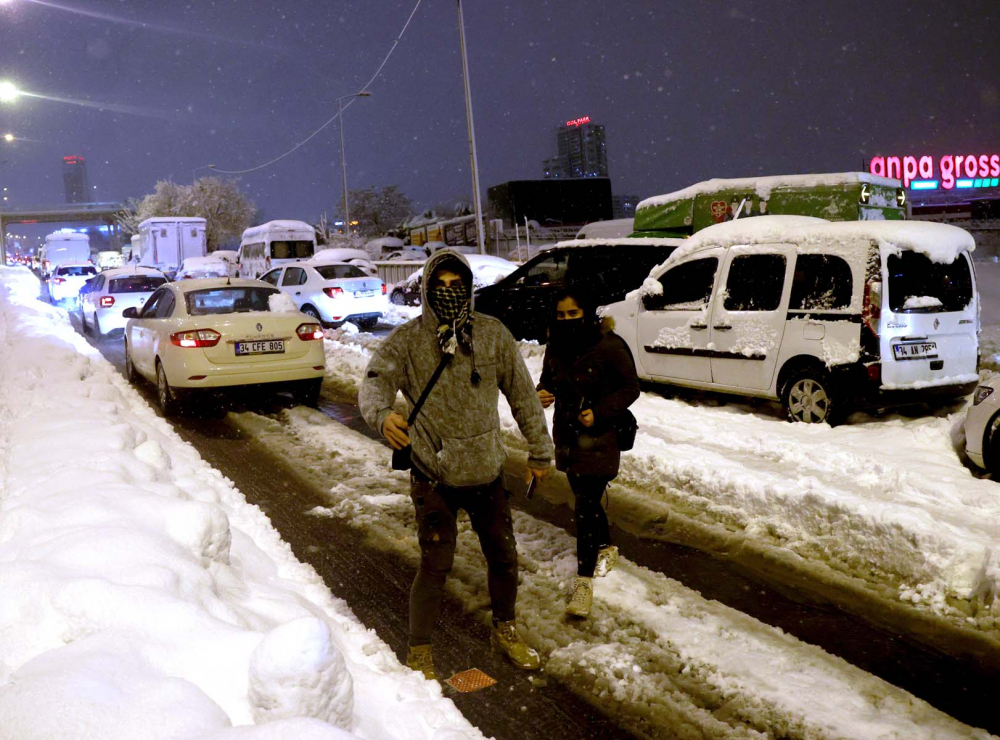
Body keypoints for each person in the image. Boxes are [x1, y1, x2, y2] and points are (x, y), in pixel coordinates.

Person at [359, 250, 553, 681]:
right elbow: (374, 385)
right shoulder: (407, 342)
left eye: (457, 286)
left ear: (469, 289)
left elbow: (523, 396)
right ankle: (420, 652)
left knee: (503, 557)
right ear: (427, 290)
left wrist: (541, 452)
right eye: (440, 287)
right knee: (435, 565)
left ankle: (504, 628)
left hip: (487, 473)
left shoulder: (492, 335)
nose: (449, 294)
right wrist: (382, 415)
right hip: (435, 476)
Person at [536, 287, 640, 618]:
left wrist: (600, 410)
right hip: (567, 434)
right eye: (561, 315)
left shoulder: (609, 345)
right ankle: (606, 544)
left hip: (599, 436)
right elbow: (546, 380)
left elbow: (630, 388)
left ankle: (584, 581)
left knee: (584, 503)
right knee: (586, 497)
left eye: (573, 314)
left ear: (588, 313)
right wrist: (543, 393)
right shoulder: (555, 345)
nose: (567, 321)